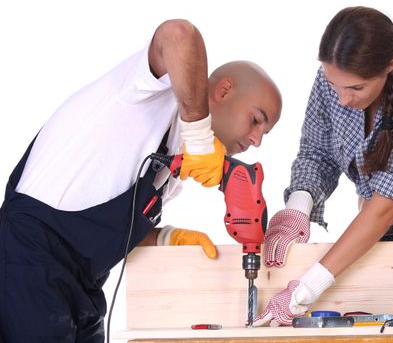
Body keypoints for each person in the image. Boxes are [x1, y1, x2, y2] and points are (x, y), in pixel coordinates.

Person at [0, 19, 281, 342]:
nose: (257, 139)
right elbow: (178, 33)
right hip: (30, 262)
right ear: (224, 90)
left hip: (83, 286)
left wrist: (164, 238)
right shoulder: (148, 90)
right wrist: (200, 137)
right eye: (257, 119)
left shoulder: (174, 167)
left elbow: (104, 227)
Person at [254, 6, 393, 326]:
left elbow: (385, 207)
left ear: (389, 66)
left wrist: (304, 290)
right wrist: (297, 209)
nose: (342, 99)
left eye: (356, 88)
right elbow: (316, 153)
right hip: (372, 237)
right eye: (335, 85)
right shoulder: (330, 79)